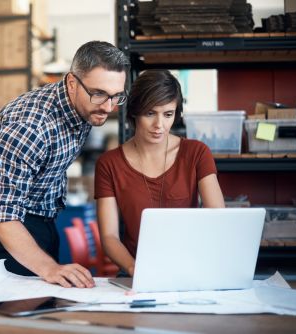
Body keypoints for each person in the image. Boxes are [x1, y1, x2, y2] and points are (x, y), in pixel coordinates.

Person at [0, 41, 130, 288]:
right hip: (8, 225)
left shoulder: (86, 106)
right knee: (20, 308)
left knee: (48, 298)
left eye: (116, 96)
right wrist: (49, 268)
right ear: (71, 83)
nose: (108, 107)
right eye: (99, 94)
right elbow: (2, 216)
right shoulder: (29, 127)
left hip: (43, 217)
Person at [94, 70, 225, 277]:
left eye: (168, 114)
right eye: (150, 113)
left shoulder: (196, 153)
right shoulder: (109, 164)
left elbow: (218, 219)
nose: (159, 125)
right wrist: (133, 268)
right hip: (135, 272)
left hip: (191, 269)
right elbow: (109, 237)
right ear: (134, 112)